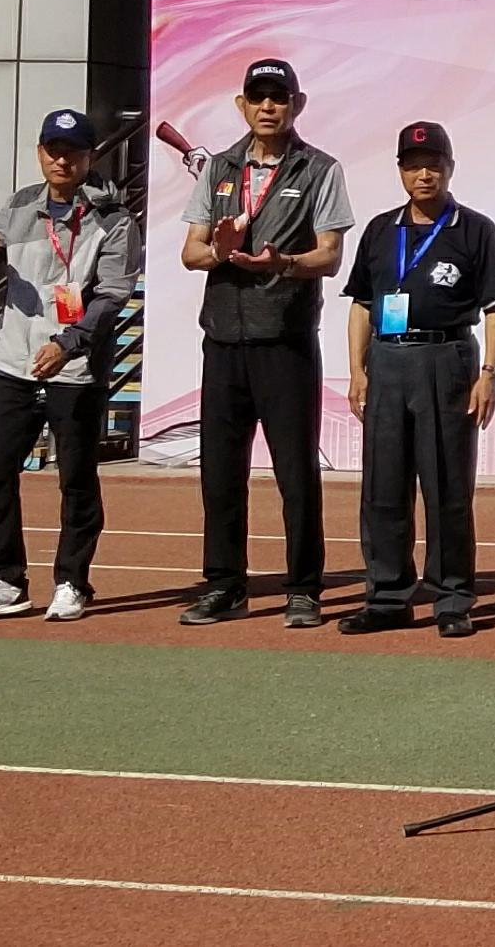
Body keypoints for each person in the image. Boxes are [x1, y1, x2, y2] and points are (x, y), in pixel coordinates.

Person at [178, 57, 353, 628]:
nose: (268, 107)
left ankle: (304, 587)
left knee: (295, 473)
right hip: (223, 340)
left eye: (279, 98)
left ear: (297, 105)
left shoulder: (320, 168)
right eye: (258, 97)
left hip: (285, 341)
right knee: (220, 473)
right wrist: (222, 253)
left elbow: (330, 256)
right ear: (243, 105)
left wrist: (282, 262)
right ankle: (225, 584)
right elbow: (191, 252)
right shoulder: (219, 168)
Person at [0, 109, 141, 623]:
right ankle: (4, 579)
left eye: (72, 152)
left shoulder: (114, 219)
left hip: (74, 368)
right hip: (13, 361)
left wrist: (69, 343)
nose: (62, 161)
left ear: (89, 157)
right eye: (53, 151)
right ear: (40, 153)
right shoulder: (20, 205)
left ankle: (72, 581)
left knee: (76, 479)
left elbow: (112, 294)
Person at [339, 119, 495, 638]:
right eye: (413, 166)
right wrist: (357, 369)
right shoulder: (380, 230)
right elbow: (362, 305)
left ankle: (452, 598)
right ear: (400, 171)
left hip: (446, 359)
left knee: (447, 487)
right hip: (387, 362)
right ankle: (388, 597)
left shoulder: (474, 229)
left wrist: (489, 373)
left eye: (433, 165)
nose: (423, 175)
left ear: (449, 168)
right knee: (383, 487)